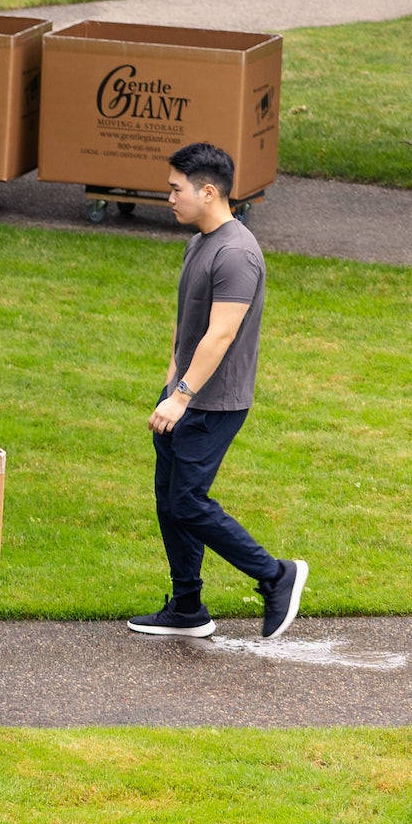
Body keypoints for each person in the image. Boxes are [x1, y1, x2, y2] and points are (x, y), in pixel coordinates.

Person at [126, 142, 307, 640]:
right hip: (185, 396)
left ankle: (277, 575)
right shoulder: (201, 241)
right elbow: (186, 326)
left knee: (187, 502)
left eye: (175, 189)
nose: (169, 198)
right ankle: (187, 607)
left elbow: (221, 333)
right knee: (169, 501)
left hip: (214, 402)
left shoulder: (236, 253)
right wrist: (170, 384)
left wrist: (181, 395)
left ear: (208, 191)